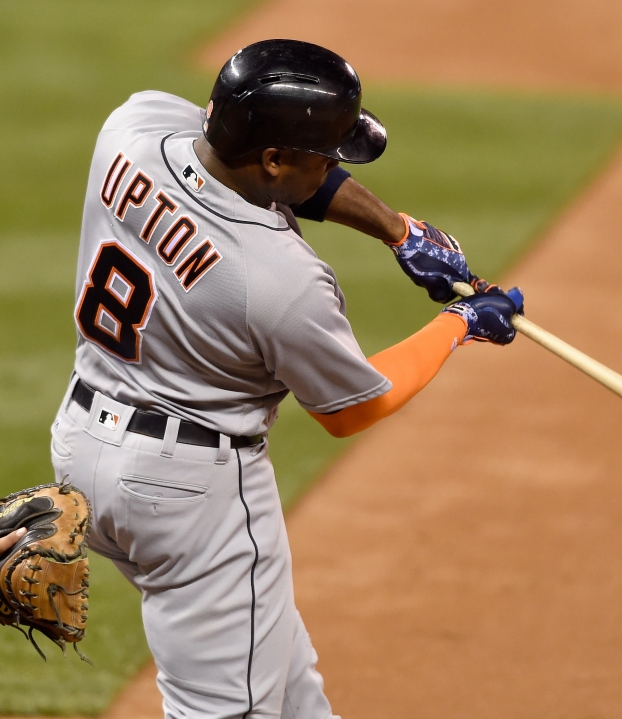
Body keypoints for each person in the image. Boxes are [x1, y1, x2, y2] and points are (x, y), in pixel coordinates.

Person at [52, 39, 523, 718]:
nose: (333, 165)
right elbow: (355, 406)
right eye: (324, 154)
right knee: (231, 706)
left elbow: (242, 162)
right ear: (273, 158)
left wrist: (397, 230)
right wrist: (462, 322)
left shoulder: (133, 129)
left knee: (283, 679)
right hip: (187, 497)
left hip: (81, 449)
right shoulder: (280, 279)